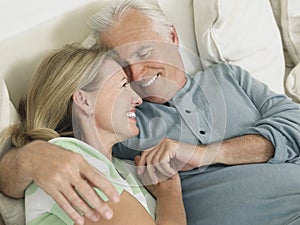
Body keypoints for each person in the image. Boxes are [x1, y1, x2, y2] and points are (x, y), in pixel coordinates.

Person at [1, 0, 300, 224]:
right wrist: (31, 157)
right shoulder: (122, 121)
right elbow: (32, 155)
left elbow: (295, 124)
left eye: (143, 53)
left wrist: (205, 153)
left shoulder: (229, 77)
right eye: (122, 68)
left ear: (172, 37)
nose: (137, 74)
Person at [7, 43, 186, 225]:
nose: (138, 99)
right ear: (84, 101)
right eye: (123, 85)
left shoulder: (121, 167)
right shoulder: (62, 160)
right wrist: (170, 195)